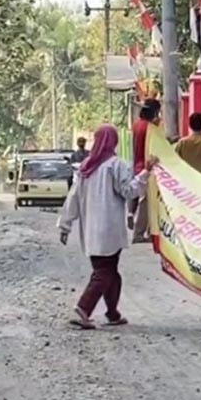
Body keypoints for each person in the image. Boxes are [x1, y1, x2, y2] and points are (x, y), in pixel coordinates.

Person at [58, 124, 157, 330]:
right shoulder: (116, 165)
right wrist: (146, 172)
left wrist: (65, 225)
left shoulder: (86, 167)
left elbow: (73, 199)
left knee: (110, 271)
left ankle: (113, 313)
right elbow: (129, 191)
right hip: (109, 228)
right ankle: (83, 309)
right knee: (104, 271)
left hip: (91, 229)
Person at [130, 99, 161, 242]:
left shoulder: (136, 125)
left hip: (137, 165)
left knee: (147, 200)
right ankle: (139, 233)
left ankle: (147, 231)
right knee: (145, 202)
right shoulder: (149, 128)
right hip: (147, 167)